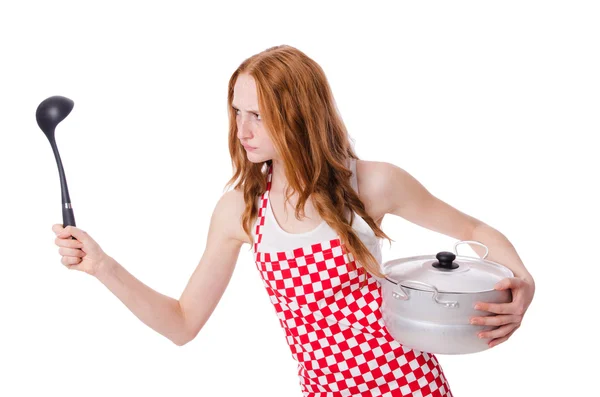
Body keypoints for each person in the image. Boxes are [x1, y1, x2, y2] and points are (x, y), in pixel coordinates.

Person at [52, 45, 535, 397]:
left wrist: (523, 283)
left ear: (300, 115)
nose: (241, 130)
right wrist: (103, 266)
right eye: (237, 112)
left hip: (407, 384)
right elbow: (182, 324)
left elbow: (475, 233)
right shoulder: (240, 211)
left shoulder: (370, 184)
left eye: (258, 115)